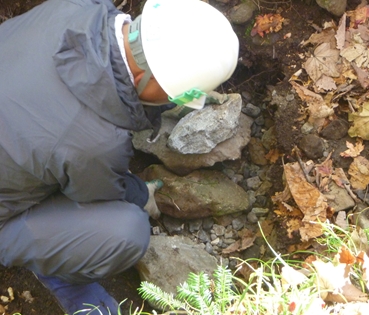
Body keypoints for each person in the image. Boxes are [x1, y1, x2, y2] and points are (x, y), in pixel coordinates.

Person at [0, 0, 239, 313]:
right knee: (125, 231)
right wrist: (140, 193)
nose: (173, 102)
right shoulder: (95, 142)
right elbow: (98, 193)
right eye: (177, 95)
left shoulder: (78, 7)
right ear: (151, 79)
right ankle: (61, 273)